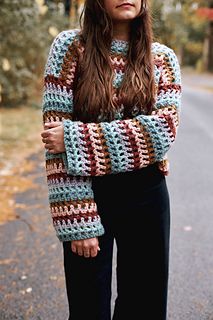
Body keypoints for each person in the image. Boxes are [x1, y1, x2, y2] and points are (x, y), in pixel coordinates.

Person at [41, 0, 182, 319]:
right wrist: (76, 217)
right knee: (88, 307)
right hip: (87, 194)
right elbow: (53, 141)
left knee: (144, 305)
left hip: (147, 194)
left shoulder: (162, 58)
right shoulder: (69, 48)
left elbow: (161, 134)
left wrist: (75, 139)